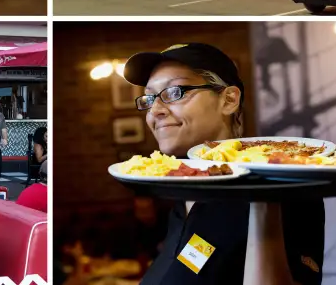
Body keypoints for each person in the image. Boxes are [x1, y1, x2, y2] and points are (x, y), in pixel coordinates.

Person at [122, 43, 325, 284]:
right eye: (149, 97)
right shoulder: (182, 196)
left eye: (175, 92)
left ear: (229, 100)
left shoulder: (284, 188)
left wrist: (263, 200)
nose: (155, 110)